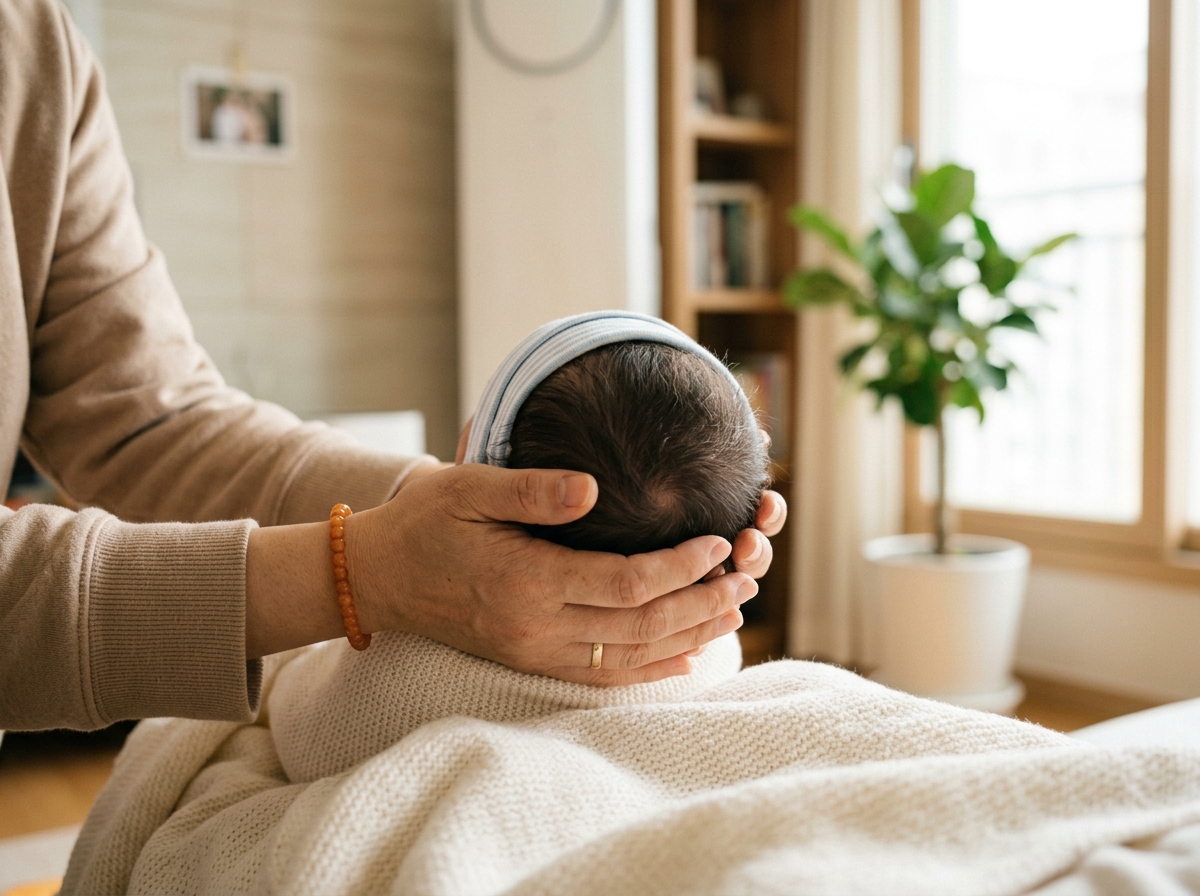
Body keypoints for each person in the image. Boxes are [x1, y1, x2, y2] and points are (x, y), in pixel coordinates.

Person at [0, 0, 786, 733]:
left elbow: (150, 422)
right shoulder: (716, 666)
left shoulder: (39, 49)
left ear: (476, 443)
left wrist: (434, 520)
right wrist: (367, 569)